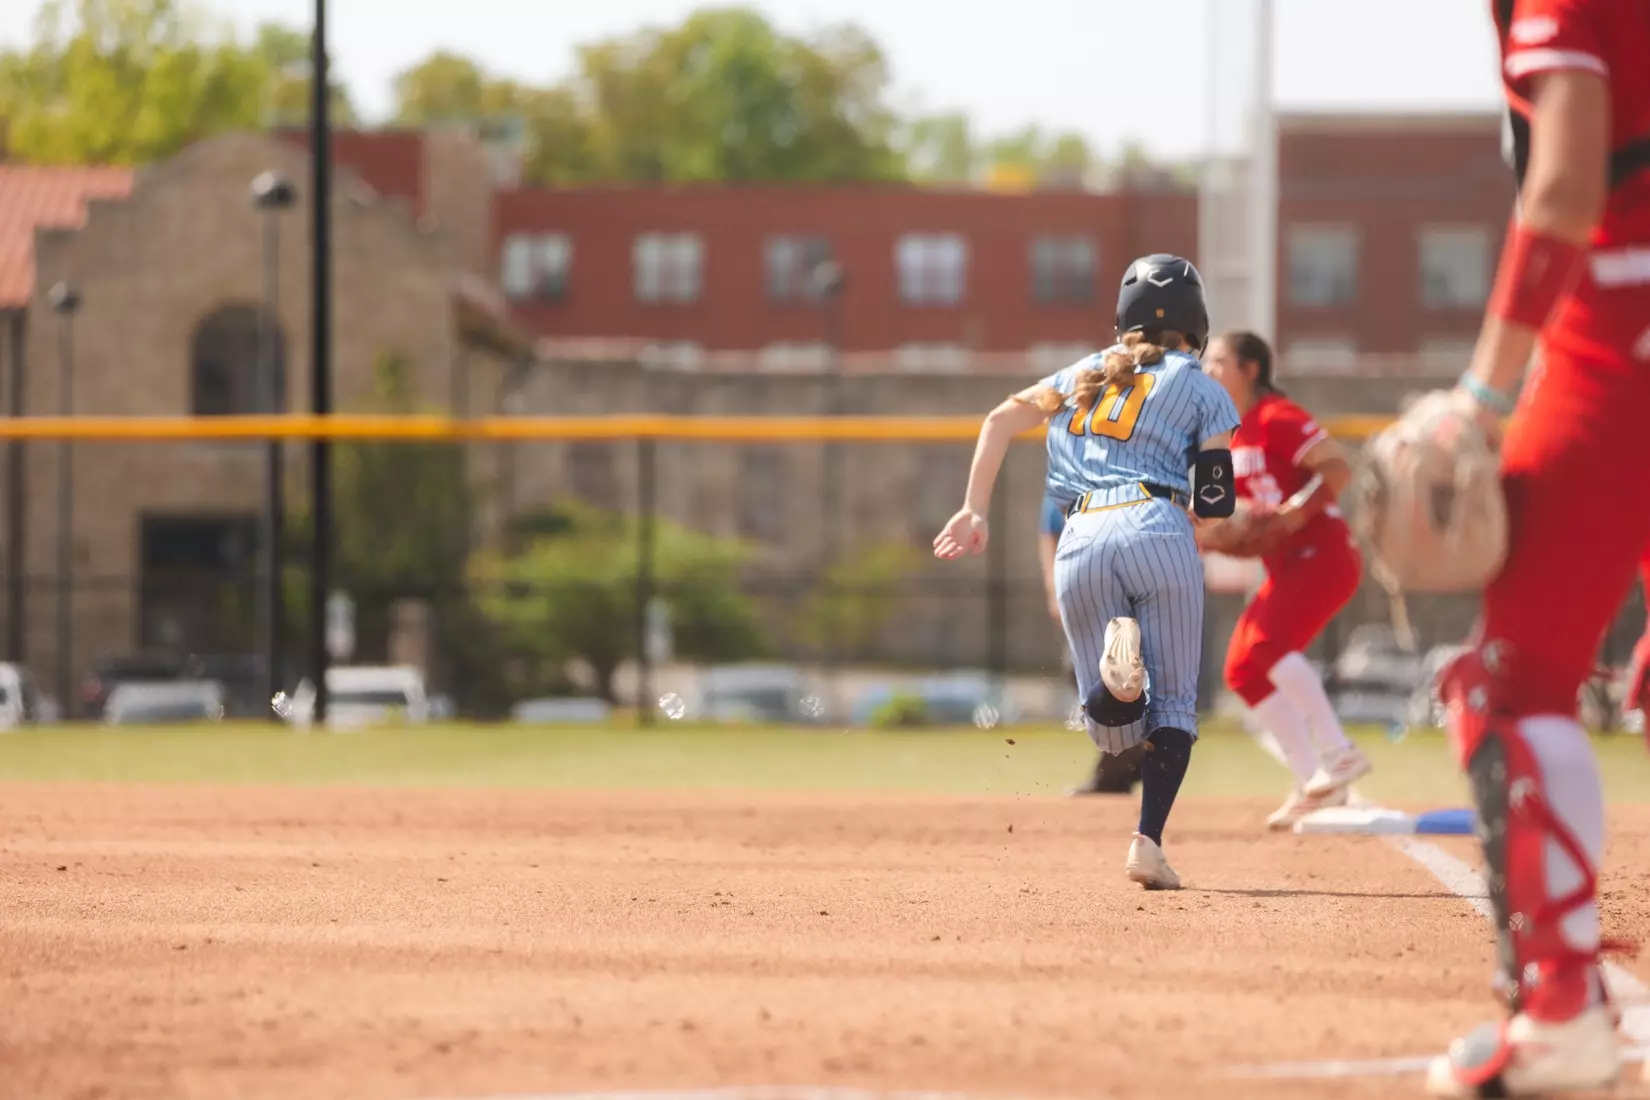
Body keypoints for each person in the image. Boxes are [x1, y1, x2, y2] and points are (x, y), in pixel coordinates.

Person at [1419, 0, 1650, 1094]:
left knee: (1512, 684)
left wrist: (1482, 391)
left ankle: (1560, 1013)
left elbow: (1563, 188)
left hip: (1622, 330)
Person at [934, 253, 1240, 890]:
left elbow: (998, 421)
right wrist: (1204, 529)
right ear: (1197, 323)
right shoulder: (1201, 382)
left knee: (1110, 733)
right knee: (1176, 708)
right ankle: (1148, 844)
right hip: (1157, 521)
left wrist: (972, 510)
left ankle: (1117, 679)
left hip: (1078, 532)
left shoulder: (1082, 373)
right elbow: (1213, 500)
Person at [1196, 331, 1372, 829]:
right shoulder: (1230, 434)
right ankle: (1311, 779)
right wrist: (1204, 535)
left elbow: (1339, 469)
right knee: (1242, 670)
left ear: (1250, 370)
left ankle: (1339, 752)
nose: (1208, 370)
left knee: (1268, 645)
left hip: (1324, 555)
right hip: (1287, 567)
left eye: (1218, 362)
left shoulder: (1278, 416)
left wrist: (1294, 515)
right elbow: (1224, 521)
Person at [1042, 491, 1144, 796]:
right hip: (1086, 586)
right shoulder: (1067, 474)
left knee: (1126, 669)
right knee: (1078, 669)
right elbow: (1049, 531)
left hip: (1128, 585)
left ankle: (1121, 767)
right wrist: (1053, 587)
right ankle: (1128, 755)